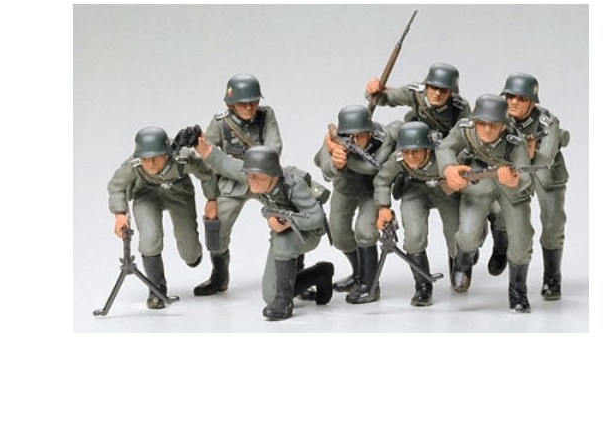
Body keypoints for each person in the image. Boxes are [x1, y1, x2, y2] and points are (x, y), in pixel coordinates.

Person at [195, 138, 332, 321]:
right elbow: (227, 164)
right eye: (250, 176)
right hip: (285, 230)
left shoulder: (294, 186)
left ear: (274, 175)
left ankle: (284, 301)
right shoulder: (254, 174)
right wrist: (203, 149)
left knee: (282, 243)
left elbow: (316, 217)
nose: (252, 181)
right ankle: (320, 273)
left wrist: (286, 222)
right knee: (269, 294)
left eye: (259, 177)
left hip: (308, 233)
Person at [436, 94, 536, 313]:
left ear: (504, 125)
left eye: (494, 124)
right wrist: (449, 168)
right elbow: (445, 148)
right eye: (482, 123)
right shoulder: (465, 129)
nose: (487, 129)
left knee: (521, 238)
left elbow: (525, 176)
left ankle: (517, 290)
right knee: (468, 234)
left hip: (509, 185)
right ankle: (463, 263)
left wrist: (515, 181)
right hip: (478, 180)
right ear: (475, 120)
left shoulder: (515, 140)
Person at [193, 73, 283, 297]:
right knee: (216, 230)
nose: (250, 107)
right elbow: (206, 158)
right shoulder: (220, 123)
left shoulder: (266, 116)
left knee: (288, 221)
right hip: (231, 185)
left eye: (254, 101)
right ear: (231, 103)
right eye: (244, 103)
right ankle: (219, 276)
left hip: (266, 181)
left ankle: (293, 275)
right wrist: (211, 197)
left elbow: (274, 148)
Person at [107, 126, 214, 309]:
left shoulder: (183, 158)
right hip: (147, 194)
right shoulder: (134, 163)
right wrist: (120, 214)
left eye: (155, 158)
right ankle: (156, 289)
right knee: (149, 238)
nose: (150, 164)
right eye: (145, 159)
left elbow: (206, 174)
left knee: (190, 251)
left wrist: (212, 199)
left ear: (166, 154)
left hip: (179, 192)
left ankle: (193, 256)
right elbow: (116, 185)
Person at [486, 73, 569, 300]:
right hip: (513, 170)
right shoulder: (499, 116)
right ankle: (501, 246)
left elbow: (547, 157)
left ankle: (552, 278)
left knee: (553, 223)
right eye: (510, 96)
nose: (513, 102)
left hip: (545, 172)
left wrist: (531, 153)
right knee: (499, 208)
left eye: (521, 98)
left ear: (532, 102)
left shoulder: (547, 122)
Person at [314, 104, 395, 303]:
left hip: (372, 191)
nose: (355, 141)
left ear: (370, 132)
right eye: (350, 136)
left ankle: (370, 284)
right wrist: (335, 161)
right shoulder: (334, 139)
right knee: (338, 234)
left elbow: (373, 167)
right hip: (345, 188)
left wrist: (345, 159)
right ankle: (358, 273)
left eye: (361, 135)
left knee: (365, 232)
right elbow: (323, 167)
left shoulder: (383, 139)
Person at [373, 121, 460, 306]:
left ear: (428, 148)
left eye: (416, 151)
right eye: (406, 151)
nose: (410, 157)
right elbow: (382, 179)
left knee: (456, 235)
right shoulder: (399, 158)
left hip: (445, 190)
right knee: (413, 237)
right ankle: (423, 286)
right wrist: (383, 207)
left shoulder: (442, 154)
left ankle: (459, 268)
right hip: (414, 190)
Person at [364, 62, 471, 142]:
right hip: (414, 137)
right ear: (426, 86)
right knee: (394, 129)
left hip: (442, 144)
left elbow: (464, 137)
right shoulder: (415, 93)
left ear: (450, 92)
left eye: (443, 90)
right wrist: (374, 91)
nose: (437, 93)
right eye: (434, 87)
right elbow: (387, 98)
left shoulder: (460, 108)